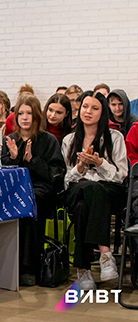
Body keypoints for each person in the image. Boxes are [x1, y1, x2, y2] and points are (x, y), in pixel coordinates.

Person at [62, 91, 127, 290]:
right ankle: (105, 253)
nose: (88, 111)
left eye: (94, 108)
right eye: (85, 107)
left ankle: (83, 269)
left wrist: (100, 164)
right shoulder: (69, 140)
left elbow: (121, 175)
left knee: (84, 206)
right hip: (78, 187)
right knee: (88, 189)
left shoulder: (115, 137)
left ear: (103, 112)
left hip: (109, 190)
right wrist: (80, 167)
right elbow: (67, 180)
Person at [2, 95, 66, 286]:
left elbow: (56, 175)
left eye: (29, 113)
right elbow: (2, 171)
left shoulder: (49, 140)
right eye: (20, 113)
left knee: (30, 203)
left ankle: (27, 267)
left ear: (36, 115)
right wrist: (14, 159)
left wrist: (33, 161)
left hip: (41, 189)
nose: (24, 117)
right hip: (14, 189)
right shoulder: (10, 140)